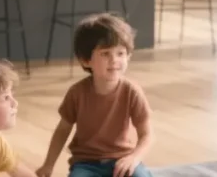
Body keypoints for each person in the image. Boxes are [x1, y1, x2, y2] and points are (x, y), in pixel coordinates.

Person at [35, 13, 154, 177]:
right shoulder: (76, 93)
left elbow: (146, 134)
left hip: (122, 159)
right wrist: (48, 165)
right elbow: (63, 130)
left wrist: (134, 158)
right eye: (105, 54)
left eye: (120, 53)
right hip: (86, 164)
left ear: (128, 56)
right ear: (85, 61)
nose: (114, 60)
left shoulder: (132, 91)